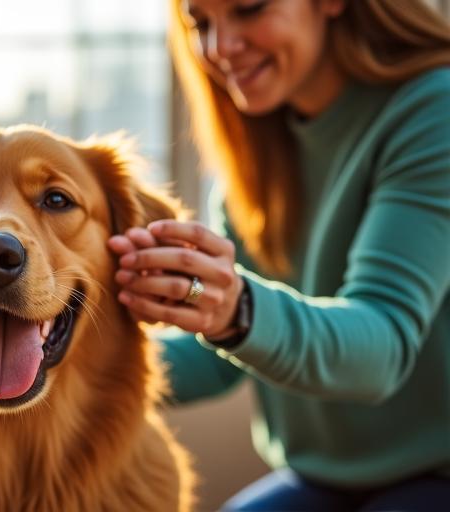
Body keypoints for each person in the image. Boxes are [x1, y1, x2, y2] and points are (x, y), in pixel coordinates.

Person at [107, 0, 450, 510]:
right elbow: (221, 358)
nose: (220, 47)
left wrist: (235, 308)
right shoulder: (256, 157)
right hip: (319, 479)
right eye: (202, 23)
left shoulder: (434, 112)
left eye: (248, 9)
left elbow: (381, 345)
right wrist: (71, 362)